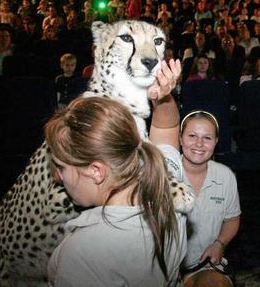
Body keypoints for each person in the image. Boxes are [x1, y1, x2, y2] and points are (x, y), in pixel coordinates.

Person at [46, 59, 188, 287]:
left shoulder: (81, 256)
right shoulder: (168, 195)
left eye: (61, 167)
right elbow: (167, 128)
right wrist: (162, 96)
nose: (56, 176)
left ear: (96, 171)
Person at [175, 110, 241, 287]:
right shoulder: (165, 174)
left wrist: (220, 243)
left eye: (207, 138)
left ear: (216, 142)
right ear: (180, 139)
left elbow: (232, 219)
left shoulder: (225, 176)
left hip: (205, 264)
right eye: (192, 136)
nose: (199, 143)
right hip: (163, 265)